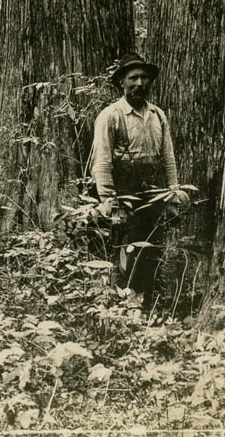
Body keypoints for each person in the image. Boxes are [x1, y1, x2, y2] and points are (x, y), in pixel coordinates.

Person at [90, 52, 182, 302]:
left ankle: (145, 297)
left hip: (152, 191)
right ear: (122, 82)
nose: (139, 84)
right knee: (123, 247)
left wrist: (172, 193)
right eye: (133, 78)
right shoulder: (111, 116)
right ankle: (123, 300)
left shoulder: (157, 115)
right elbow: (102, 161)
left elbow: (168, 157)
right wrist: (110, 201)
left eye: (144, 78)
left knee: (150, 244)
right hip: (123, 191)